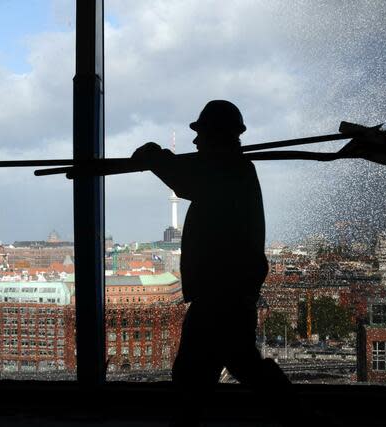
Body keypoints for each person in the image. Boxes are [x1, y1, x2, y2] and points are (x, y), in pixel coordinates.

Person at [132, 100, 304, 426]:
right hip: (227, 290)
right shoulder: (234, 169)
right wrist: (157, 158)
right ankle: (297, 417)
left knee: (204, 368)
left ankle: (297, 418)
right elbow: (192, 179)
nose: (195, 143)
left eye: (201, 135)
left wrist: (154, 156)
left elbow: (186, 182)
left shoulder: (232, 171)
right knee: (229, 364)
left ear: (216, 136)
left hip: (222, 292)